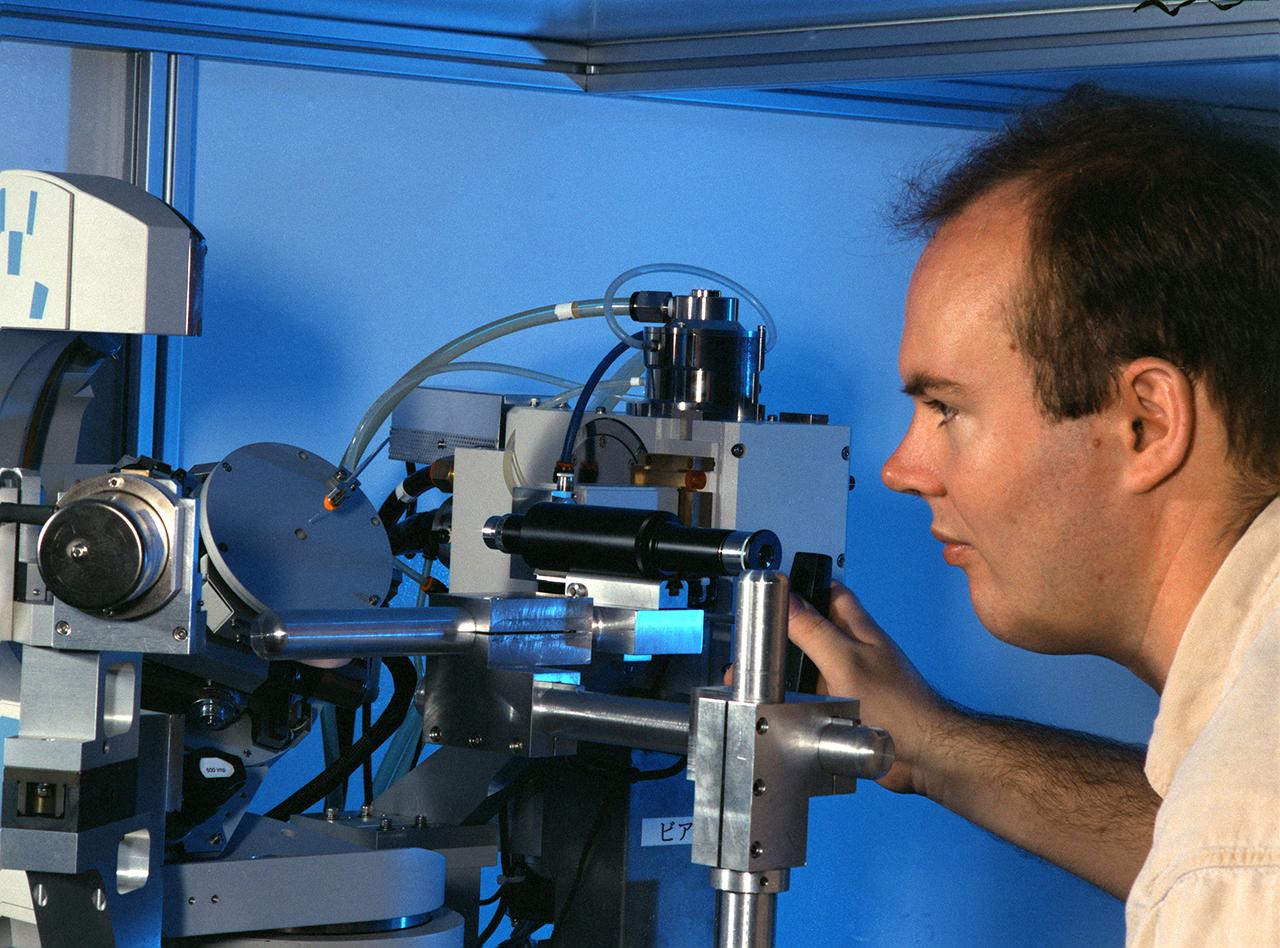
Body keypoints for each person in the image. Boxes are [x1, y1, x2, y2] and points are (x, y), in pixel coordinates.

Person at [789, 86, 1279, 944]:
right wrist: (928, 742)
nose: (900, 470)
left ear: (1145, 424)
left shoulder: (1239, 854)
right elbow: (1194, 847)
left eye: (946, 407)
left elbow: (1227, 862)